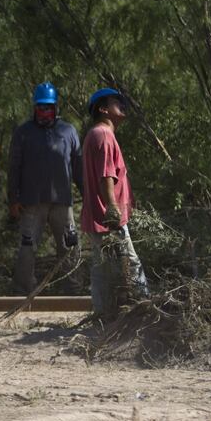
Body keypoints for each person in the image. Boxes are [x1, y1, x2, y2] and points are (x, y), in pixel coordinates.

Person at [8, 82, 83, 294]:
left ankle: (73, 290)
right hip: (32, 202)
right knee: (27, 247)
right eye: (41, 107)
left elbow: (78, 167)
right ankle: (24, 291)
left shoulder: (68, 131)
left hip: (62, 202)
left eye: (48, 107)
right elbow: (14, 167)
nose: (45, 112)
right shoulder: (23, 132)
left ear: (55, 107)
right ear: (34, 108)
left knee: (70, 246)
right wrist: (13, 199)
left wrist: (88, 196)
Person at [81, 88, 149, 319]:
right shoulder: (103, 135)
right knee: (130, 261)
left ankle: (102, 313)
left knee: (101, 267)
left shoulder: (96, 134)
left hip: (99, 215)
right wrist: (112, 205)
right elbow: (106, 174)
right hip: (109, 216)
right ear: (103, 109)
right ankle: (145, 309)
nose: (122, 104)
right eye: (116, 101)